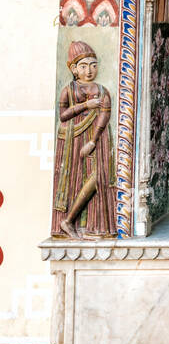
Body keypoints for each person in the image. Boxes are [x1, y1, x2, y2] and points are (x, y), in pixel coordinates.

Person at [52, 41, 116, 239]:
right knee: (75, 179)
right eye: (83, 66)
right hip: (73, 139)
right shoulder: (68, 90)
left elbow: (105, 115)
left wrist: (93, 141)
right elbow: (63, 115)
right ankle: (70, 222)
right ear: (73, 68)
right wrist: (86, 105)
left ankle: (81, 223)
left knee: (100, 176)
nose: (89, 70)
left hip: (97, 138)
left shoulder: (103, 91)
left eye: (93, 65)